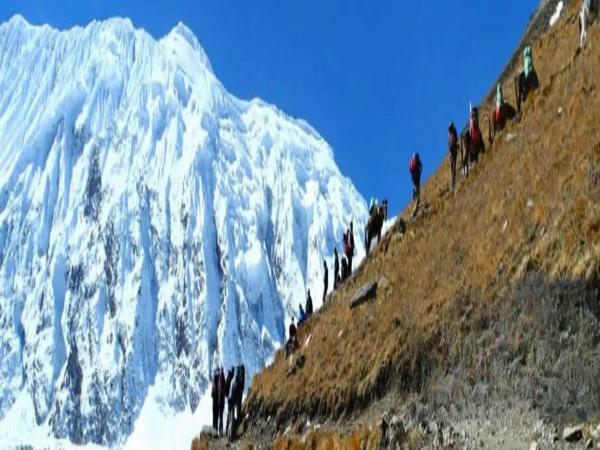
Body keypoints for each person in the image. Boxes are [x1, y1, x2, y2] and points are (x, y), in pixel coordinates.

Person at [516, 45, 539, 114]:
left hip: (529, 78)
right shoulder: (528, 63)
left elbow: (521, 92)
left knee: (526, 87)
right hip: (533, 75)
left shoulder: (521, 77)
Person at [409, 152, 422, 218]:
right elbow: (421, 167)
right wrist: (419, 173)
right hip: (417, 178)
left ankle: (414, 192)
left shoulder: (412, 161)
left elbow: (410, 170)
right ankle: (414, 212)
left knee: (416, 189)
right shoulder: (418, 161)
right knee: (418, 195)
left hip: (413, 178)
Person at [448, 122, 458, 191]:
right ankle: (453, 182)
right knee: (453, 167)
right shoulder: (453, 132)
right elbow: (455, 140)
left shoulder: (449, 133)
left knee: (452, 168)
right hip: (453, 152)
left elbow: (449, 143)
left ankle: (453, 182)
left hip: (451, 152)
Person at [218, 367, 226, 437]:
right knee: (221, 418)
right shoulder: (222, 378)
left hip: (219, 402)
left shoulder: (220, 379)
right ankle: (221, 433)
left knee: (220, 418)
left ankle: (220, 432)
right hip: (221, 402)